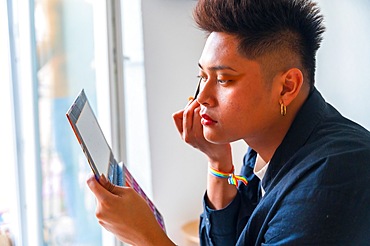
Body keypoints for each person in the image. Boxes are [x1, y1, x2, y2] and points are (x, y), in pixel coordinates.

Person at [87, 0, 370, 245]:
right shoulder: (263, 146)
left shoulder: (333, 177)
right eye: (202, 77)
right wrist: (218, 162)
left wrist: (146, 237)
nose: (203, 98)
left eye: (224, 80)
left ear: (287, 87)